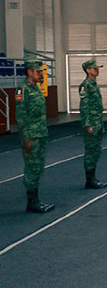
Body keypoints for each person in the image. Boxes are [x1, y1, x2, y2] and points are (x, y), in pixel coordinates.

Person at [15, 59, 55, 213]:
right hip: (31, 136)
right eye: (38, 72)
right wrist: (26, 138)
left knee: (38, 167)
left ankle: (36, 200)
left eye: (41, 72)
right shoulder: (23, 89)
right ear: (30, 72)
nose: (40, 74)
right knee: (32, 168)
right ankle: (32, 202)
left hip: (40, 134)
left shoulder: (36, 88)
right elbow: (21, 116)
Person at [79, 59, 107, 189]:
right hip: (91, 124)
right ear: (88, 70)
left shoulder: (94, 84)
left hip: (97, 123)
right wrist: (87, 124)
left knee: (96, 151)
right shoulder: (85, 85)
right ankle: (89, 180)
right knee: (91, 151)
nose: (97, 70)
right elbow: (84, 107)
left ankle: (93, 178)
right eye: (94, 68)